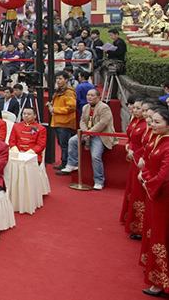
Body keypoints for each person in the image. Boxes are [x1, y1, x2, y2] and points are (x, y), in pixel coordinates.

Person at [57, 89, 117, 190]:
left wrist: (90, 133)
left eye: (92, 95)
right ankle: (72, 163)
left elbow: (103, 123)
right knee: (72, 141)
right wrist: (85, 133)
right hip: (86, 133)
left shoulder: (104, 108)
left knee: (96, 156)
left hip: (100, 134)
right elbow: (82, 121)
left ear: (98, 97)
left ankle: (99, 180)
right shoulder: (85, 107)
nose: (89, 97)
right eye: (88, 95)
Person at [139, 109, 169, 297]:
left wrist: (148, 182)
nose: (152, 124)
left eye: (157, 122)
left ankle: (160, 281)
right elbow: (151, 163)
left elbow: (165, 173)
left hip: (163, 196)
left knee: (161, 235)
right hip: (155, 193)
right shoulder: (160, 139)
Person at [121, 97, 148, 239]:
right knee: (132, 189)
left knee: (139, 194)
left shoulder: (147, 125)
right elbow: (131, 138)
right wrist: (129, 147)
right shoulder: (135, 119)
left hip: (140, 160)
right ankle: (130, 219)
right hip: (134, 157)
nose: (135, 110)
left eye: (140, 109)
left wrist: (135, 153)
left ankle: (139, 226)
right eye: (134, 107)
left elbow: (147, 146)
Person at [47, 71, 77, 170]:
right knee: (61, 143)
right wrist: (51, 105)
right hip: (57, 121)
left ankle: (66, 164)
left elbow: (71, 108)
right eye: (57, 79)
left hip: (65, 122)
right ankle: (64, 163)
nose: (58, 81)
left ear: (66, 80)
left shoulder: (69, 92)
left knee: (65, 144)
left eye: (60, 79)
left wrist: (55, 109)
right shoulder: (58, 90)